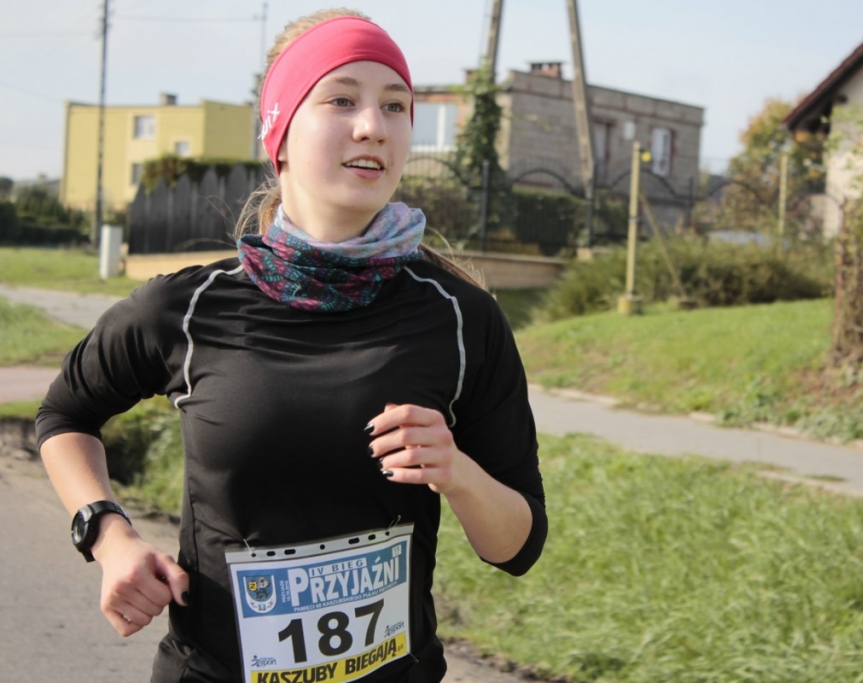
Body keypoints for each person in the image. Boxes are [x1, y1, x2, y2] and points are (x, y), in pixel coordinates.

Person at [36, 8, 546, 682]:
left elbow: (517, 547)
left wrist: (457, 471)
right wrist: (108, 533)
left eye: (396, 105)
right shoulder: (186, 308)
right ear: (278, 130)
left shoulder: (461, 316)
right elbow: (65, 415)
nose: (374, 125)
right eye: (342, 100)